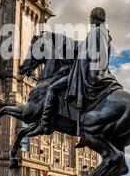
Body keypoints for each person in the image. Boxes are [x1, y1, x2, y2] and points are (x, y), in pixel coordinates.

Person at [27, 7, 122, 137]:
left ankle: (44, 124)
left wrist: (93, 73)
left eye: (90, 18)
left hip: (86, 74)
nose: (89, 21)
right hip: (92, 72)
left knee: (53, 88)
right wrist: (58, 38)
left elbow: (89, 52)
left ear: (94, 18)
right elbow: (81, 46)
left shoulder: (97, 32)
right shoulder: (103, 33)